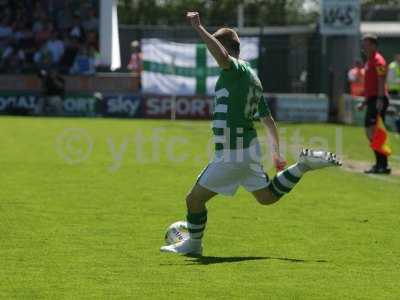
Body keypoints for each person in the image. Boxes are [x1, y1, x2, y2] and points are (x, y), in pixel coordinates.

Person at [160, 12, 342, 256]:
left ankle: (193, 244)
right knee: (266, 197)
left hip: (233, 151)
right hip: (248, 149)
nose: (214, 54)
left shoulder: (234, 69)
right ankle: (303, 166)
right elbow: (268, 120)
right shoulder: (252, 77)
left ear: (226, 48)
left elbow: (223, 57)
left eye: (216, 45)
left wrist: (199, 28)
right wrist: (276, 153)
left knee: (193, 200)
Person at [357, 34, 391, 174]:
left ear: (373, 45)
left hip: (378, 99)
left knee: (373, 131)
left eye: (365, 44)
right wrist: (365, 102)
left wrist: (380, 99)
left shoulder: (378, 60)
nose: (363, 47)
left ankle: (381, 164)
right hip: (372, 99)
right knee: (372, 132)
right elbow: (369, 83)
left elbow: (381, 80)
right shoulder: (369, 60)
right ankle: (381, 164)